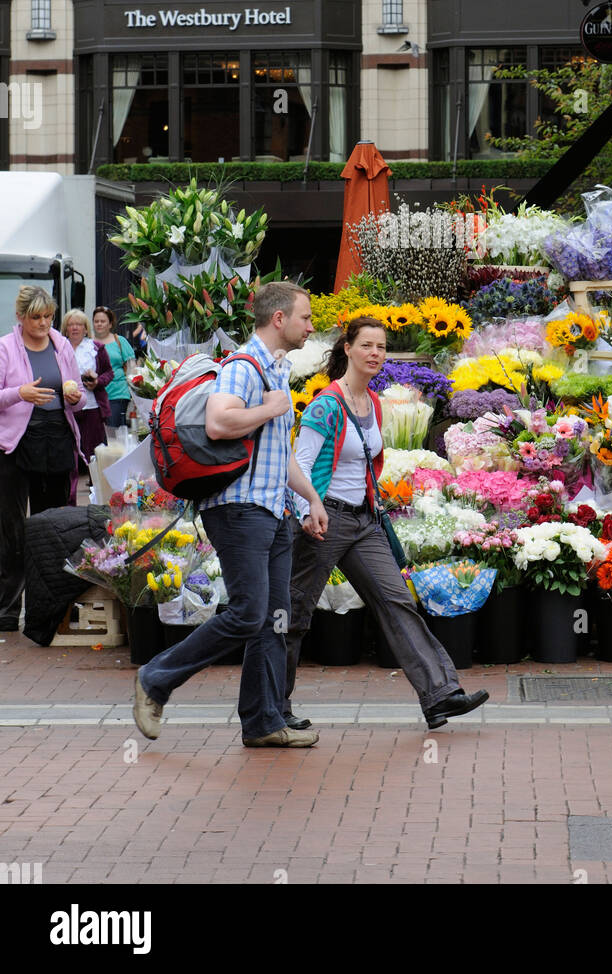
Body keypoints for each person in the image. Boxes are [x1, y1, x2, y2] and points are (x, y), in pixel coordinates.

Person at [132, 281, 329, 750]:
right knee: (247, 614)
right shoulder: (244, 366)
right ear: (278, 319)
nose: (311, 326)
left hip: (273, 509)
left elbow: (279, 456)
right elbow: (221, 421)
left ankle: (263, 721)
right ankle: (156, 679)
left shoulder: (276, 370)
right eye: (305, 317)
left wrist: (311, 501)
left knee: (273, 619)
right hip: (238, 510)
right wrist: (269, 408)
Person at [285, 317, 488, 732]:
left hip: (363, 522)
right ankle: (272, 706)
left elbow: (366, 462)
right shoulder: (326, 405)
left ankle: (439, 696)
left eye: (381, 346)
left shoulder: (373, 403)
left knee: (397, 600)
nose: (375, 353)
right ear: (348, 349)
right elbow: (299, 466)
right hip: (325, 519)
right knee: (294, 613)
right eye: (367, 345)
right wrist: (308, 511)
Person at [0, 286, 83, 631]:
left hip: (56, 441)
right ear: (20, 317)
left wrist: (75, 395)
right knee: (12, 530)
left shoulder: (61, 345)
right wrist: (20, 393)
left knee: (53, 527)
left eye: (48, 316)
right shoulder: (5, 347)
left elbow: (75, 394)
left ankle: (49, 608)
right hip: (15, 446)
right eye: (36, 317)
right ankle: (6, 609)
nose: (44, 323)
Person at [61, 310, 110, 465]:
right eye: (71, 324)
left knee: (94, 450)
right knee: (68, 449)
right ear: (65, 328)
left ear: (85, 328)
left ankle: (94, 485)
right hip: (65, 406)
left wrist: (97, 381)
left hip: (92, 405)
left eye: (79, 324)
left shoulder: (96, 348)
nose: (75, 328)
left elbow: (109, 372)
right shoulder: (58, 348)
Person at [92, 306, 135, 427]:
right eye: (96, 321)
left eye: (103, 321)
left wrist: (134, 391)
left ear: (110, 324)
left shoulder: (119, 341)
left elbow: (132, 368)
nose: (99, 324)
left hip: (118, 393)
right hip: (94, 395)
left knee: (114, 432)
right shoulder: (87, 343)